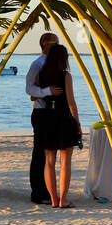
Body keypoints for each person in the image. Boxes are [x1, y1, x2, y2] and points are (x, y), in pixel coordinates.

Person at [36, 40, 82, 208]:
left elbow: (34, 96)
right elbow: (71, 101)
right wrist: (77, 122)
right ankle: (63, 199)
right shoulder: (65, 75)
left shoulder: (41, 75)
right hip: (63, 118)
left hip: (47, 118)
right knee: (65, 161)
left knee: (49, 161)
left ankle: (53, 199)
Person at [26, 32, 61, 203]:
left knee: (50, 153)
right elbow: (29, 90)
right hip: (41, 113)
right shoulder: (37, 64)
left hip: (54, 113)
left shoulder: (56, 64)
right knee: (40, 153)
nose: (57, 45)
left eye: (58, 42)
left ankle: (48, 190)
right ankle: (38, 192)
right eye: (54, 42)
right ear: (44, 44)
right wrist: (47, 92)